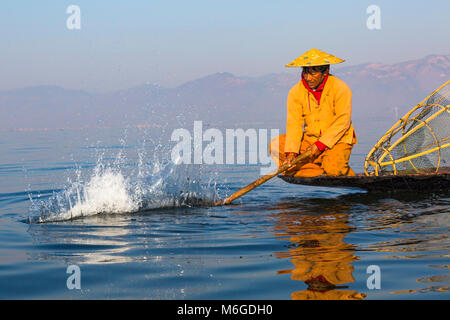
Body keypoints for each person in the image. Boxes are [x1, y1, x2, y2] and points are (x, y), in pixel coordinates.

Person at [270, 48, 357, 177]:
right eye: (305, 72)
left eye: (313, 73)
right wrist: (291, 153)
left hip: (338, 140)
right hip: (310, 140)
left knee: (334, 170)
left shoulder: (340, 88)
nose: (308, 78)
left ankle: (330, 167)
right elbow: (294, 124)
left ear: (325, 72)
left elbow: (343, 121)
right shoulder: (295, 92)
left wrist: (321, 144)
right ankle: (319, 168)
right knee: (277, 146)